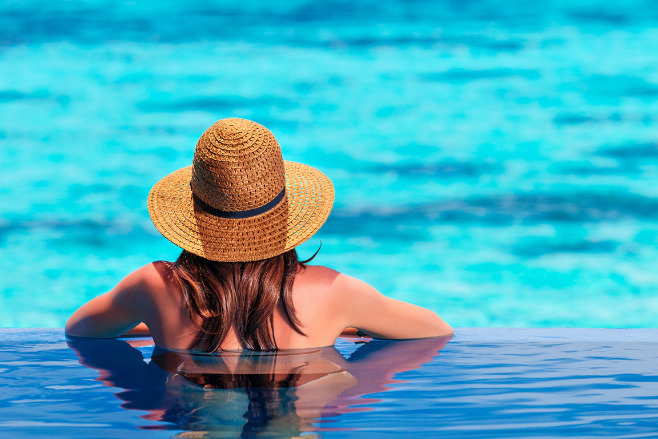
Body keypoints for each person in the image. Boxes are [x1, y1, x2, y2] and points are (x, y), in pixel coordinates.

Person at [66, 118, 453, 352]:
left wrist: (150, 320)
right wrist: (348, 325)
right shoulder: (335, 293)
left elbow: (81, 329)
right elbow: (434, 330)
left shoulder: (152, 285)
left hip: (191, 400)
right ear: (284, 209)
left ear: (195, 210)